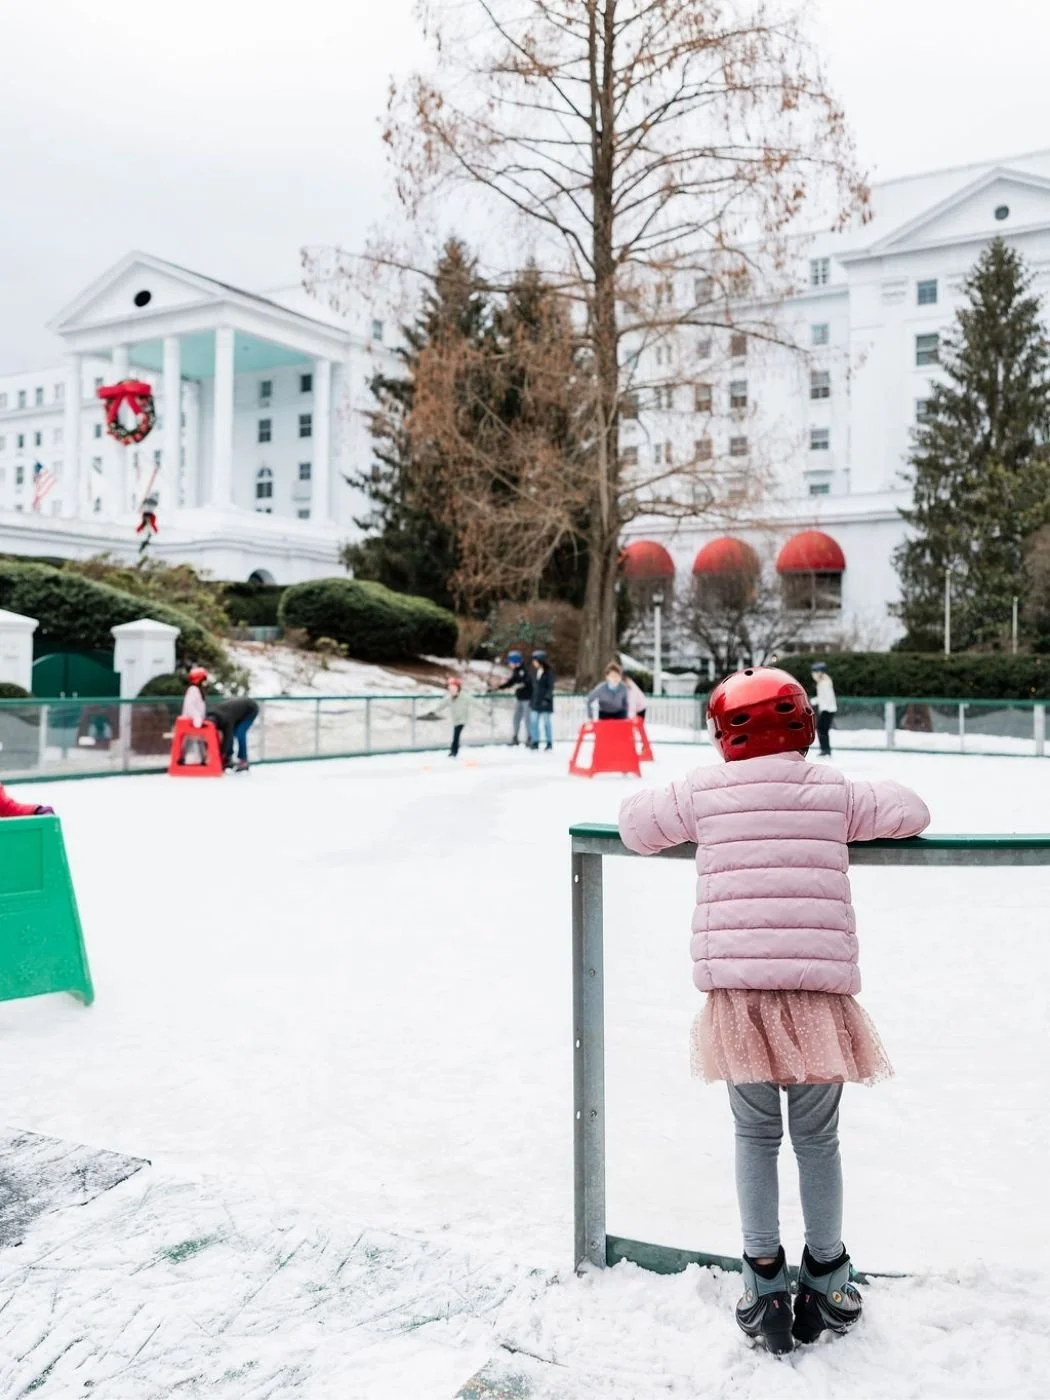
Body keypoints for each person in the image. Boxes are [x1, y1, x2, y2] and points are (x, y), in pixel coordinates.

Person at [617, 666, 930, 1354]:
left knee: (754, 1136)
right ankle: (826, 1275)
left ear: (723, 734)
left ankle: (763, 1283)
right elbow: (912, 809)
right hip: (818, 999)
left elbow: (634, 825)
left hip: (741, 1000)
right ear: (803, 724)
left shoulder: (705, 791)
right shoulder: (832, 790)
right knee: (818, 1140)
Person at [492, 650, 533, 745]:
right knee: (516, 718)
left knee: (527, 719)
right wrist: (499, 687)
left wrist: (520, 685)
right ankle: (515, 737)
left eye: (510, 662)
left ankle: (530, 738)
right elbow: (512, 682)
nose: (509, 664)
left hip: (527, 699)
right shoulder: (516, 671)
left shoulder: (525, 670)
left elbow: (528, 682)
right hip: (520, 698)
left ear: (516, 661)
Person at [208, 696, 260, 771]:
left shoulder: (226, 719)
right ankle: (229, 759)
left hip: (251, 708)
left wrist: (223, 754)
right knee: (231, 734)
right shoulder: (212, 714)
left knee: (240, 733)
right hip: (237, 711)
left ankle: (243, 760)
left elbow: (228, 737)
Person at [179, 666, 211, 765]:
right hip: (191, 722)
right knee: (190, 740)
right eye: (204, 679)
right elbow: (190, 706)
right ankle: (181, 759)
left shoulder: (197, 690)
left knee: (198, 740)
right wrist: (197, 719)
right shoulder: (193, 690)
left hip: (196, 722)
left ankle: (203, 759)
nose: (205, 682)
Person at [528, 650, 555, 751]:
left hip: (545, 702)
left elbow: (550, 687)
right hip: (535, 701)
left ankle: (549, 742)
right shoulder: (534, 672)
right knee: (534, 722)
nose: (533, 663)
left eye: (535, 660)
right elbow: (533, 686)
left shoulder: (549, 672)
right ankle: (535, 741)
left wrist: (547, 698)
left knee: (546, 722)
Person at [811, 662, 837, 758]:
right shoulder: (823, 682)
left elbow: (827, 697)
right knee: (823, 729)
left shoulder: (824, 683)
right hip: (827, 709)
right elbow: (821, 697)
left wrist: (825, 709)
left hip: (827, 710)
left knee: (822, 729)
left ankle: (825, 749)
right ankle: (825, 749)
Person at [444, 676, 471, 758]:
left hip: (462, 720)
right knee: (455, 735)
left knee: (456, 735)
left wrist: (487, 711)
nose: (451, 689)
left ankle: (454, 751)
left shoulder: (464, 697)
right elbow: (442, 704)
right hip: (456, 720)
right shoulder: (451, 697)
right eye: (450, 687)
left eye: (453, 687)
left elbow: (475, 703)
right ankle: (453, 751)